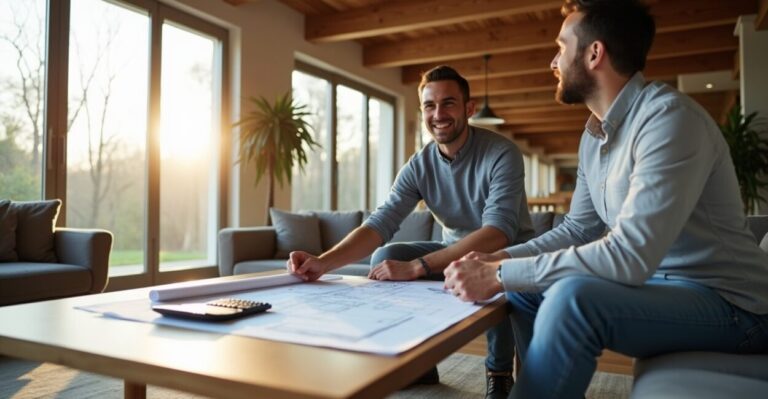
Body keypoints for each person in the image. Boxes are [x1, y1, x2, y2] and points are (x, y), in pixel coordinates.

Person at [443, 1, 768, 398]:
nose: (553, 61)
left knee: (571, 299)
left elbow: (631, 255)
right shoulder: (593, 137)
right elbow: (578, 229)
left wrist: (495, 275)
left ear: (594, 53)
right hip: (667, 290)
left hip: (735, 306)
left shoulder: (669, 119)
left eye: (562, 47)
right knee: (526, 290)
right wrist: (502, 261)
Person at [288, 65, 534, 399]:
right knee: (386, 255)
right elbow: (381, 223)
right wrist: (324, 262)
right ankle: (419, 362)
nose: (439, 114)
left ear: (469, 108)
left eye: (448, 103)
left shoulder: (502, 153)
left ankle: (499, 372)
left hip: (506, 254)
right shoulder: (419, 165)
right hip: (451, 251)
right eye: (429, 106)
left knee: (485, 264)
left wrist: (419, 266)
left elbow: (498, 232)